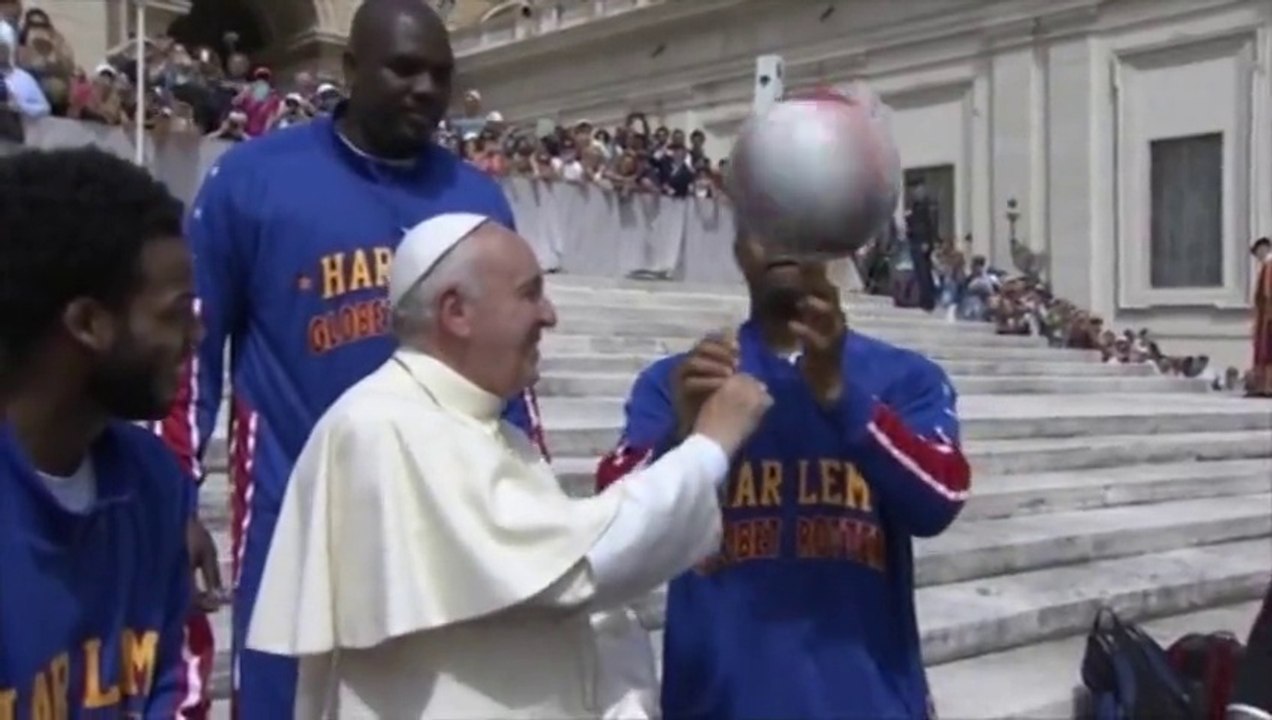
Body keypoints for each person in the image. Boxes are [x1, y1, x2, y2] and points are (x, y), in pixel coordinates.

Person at [156, 0, 549, 716]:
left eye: (441, 74)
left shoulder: (477, 199)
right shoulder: (252, 180)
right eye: (403, 68)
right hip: (294, 508)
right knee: (284, 695)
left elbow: (514, 366)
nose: (425, 89)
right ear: (349, 69)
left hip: (442, 514)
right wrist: (171, 497)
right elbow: (189, 351)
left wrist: (537, 493)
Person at [246, 213, 773, 719]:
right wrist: (709, 445)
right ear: (456, 312)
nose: (549, 315)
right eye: (529, 294)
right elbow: (578, 567)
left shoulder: (491, 430)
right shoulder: (387, 426)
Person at [595, 229, 973, 719]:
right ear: (738, 248)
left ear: (837, 241)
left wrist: (842, 396)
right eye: (764, 219)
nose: (781, 239)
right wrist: (682, 437)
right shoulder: (681, 381)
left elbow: (940, 497)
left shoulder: (905, 377)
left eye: (801, 217)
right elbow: (612, 519)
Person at [0, 147, 203, 715]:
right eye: (175, 312)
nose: (196, 334)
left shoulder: (151, 483)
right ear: (89, 323)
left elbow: (163, 686)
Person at [1248, 237, 1272, 397]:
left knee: (1268, 351)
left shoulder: (1269, 267)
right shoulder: (1266, 267)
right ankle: (1262, 386)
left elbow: (1267, 294)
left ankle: (1267, 386)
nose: (1257, 256)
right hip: (1264, 315)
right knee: (1263, 351)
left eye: (1258, 252)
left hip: (1268, 316)